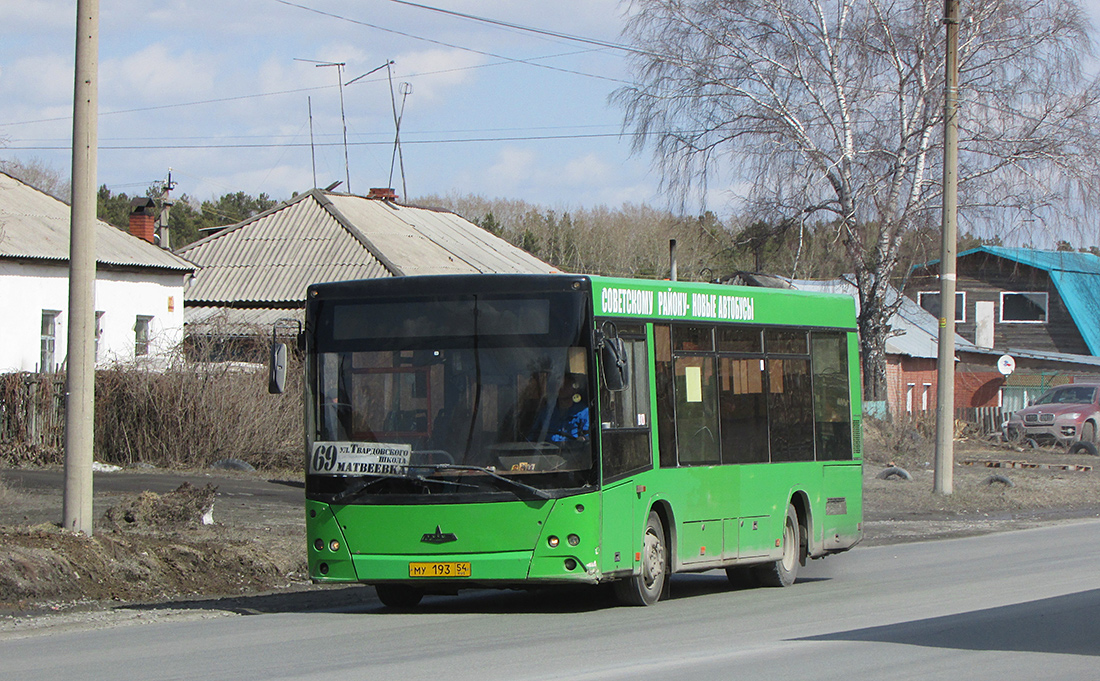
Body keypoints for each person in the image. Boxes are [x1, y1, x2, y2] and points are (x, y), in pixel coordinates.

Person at [532, 373, 590, 442]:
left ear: (574, 388)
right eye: (558, 384)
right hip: (547, 451)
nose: (562, 387)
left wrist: (583, 439)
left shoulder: (583, 412)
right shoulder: (546, 412)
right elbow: (533, 434)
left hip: (573, 451)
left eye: (566, 384)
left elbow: (588, 438)